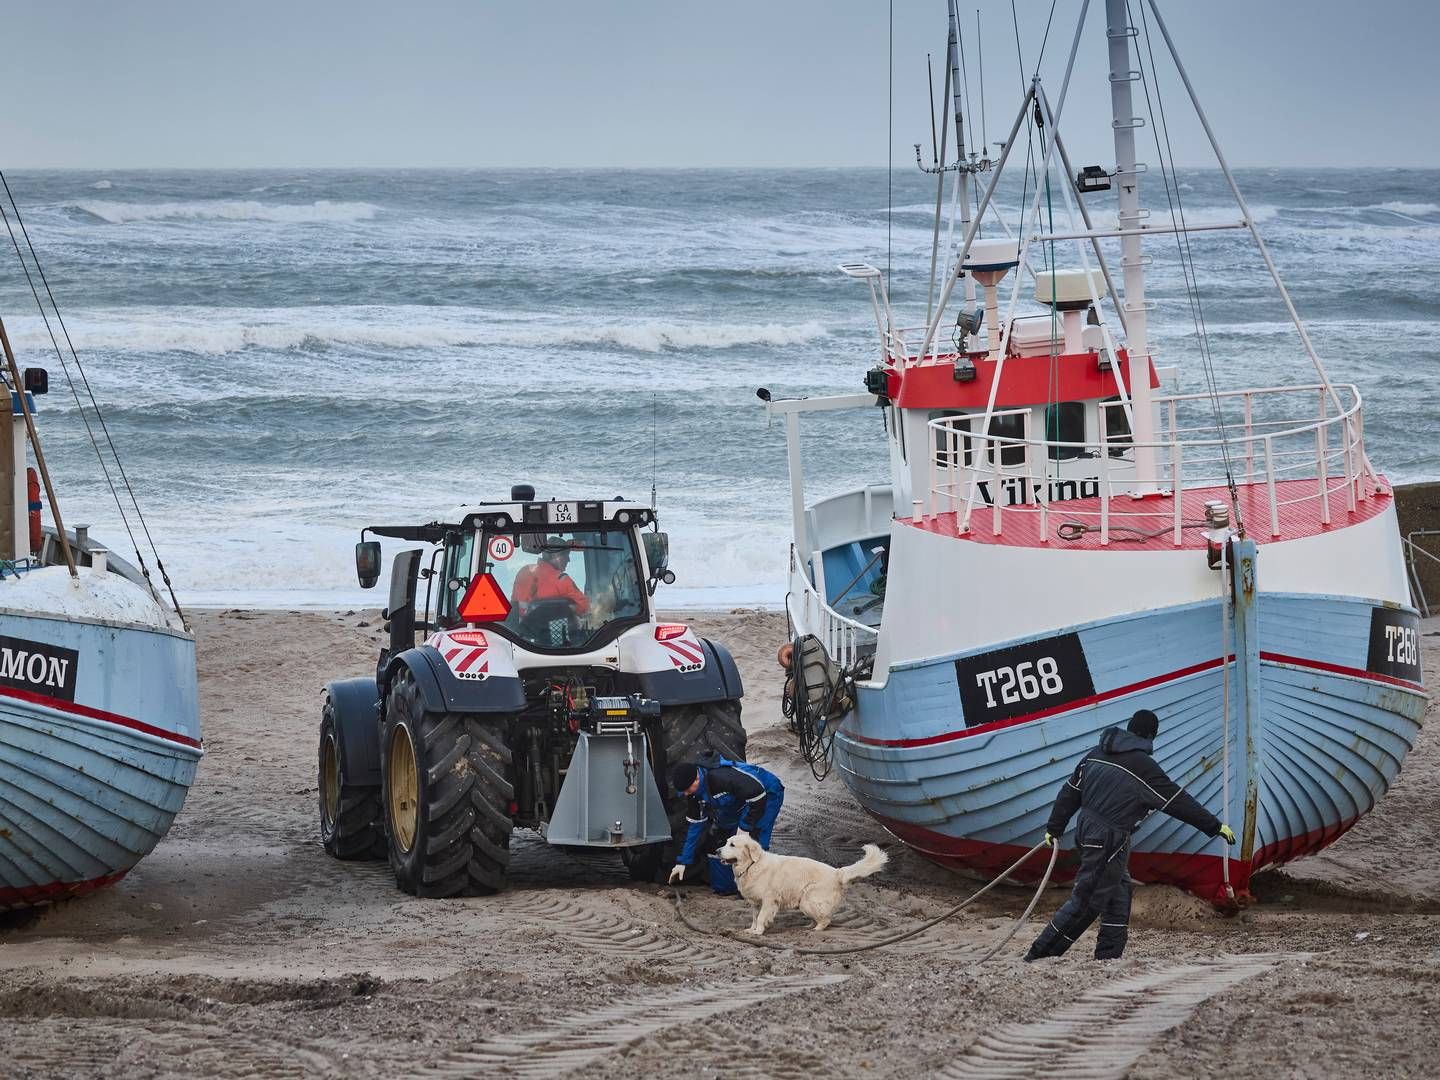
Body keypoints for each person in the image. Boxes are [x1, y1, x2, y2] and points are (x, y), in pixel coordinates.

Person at [1025, 708, 1236, 961]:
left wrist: (1054, 828)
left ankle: (1108, 957)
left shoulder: (1094, 754)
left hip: (1087, 832)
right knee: (1087, 900)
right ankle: (1039, 955)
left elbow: (1069, 792)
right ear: (1150, 736)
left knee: (1119, 891)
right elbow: (1178, 801)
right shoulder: (1143, 766)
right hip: (1109, 838)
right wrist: (1215, 826)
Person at [667, 753, 784, 894]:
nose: (686, 794)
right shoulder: (694, 794)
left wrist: (745, 827)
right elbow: (695, 829)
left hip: (767, 794)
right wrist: (683, 862)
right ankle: (727, 887)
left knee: (754, 840)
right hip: (739, 801)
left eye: (687, 790)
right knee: (718, 838)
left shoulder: (720, 777)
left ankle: (757, 890)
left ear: (697, 779)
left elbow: (757, 795)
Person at [512, 540, 590, 617]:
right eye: (565, 555)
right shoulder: (562, 580)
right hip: (550, 628)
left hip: (518, 628)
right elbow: (584, 607)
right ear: (555, 555)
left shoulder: (524, 571)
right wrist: (568, 609)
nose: (568, 560)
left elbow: (514, 605)